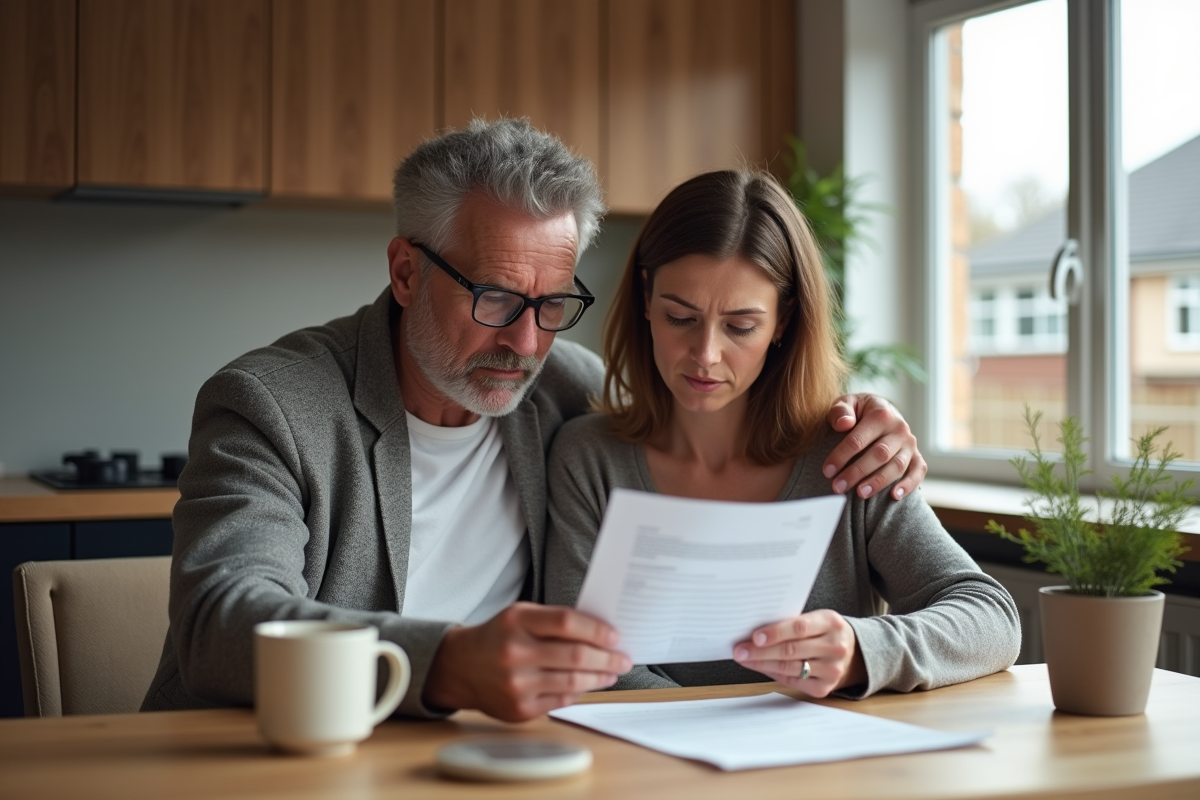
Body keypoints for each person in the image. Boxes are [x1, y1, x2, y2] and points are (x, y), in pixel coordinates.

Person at [142, 120, 930, 723]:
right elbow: (220, 621)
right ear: (407, 272)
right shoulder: (271, 403)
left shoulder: (566, 394)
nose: (525, 343)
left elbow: (719, 402)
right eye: (494, 300)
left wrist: (870, 422)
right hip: (272, 758)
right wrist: (448, 662)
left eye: (552, 306)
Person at [545, 169, 1019, 698]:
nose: (705, 354)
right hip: (652, 773)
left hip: (823, 774)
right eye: (680, 317)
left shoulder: (848, 455)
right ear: (645, 299)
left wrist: (861, 650)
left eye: (741, 326)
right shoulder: (588, 460)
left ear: (783, 323)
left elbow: (991, 618)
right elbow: (582, 658)